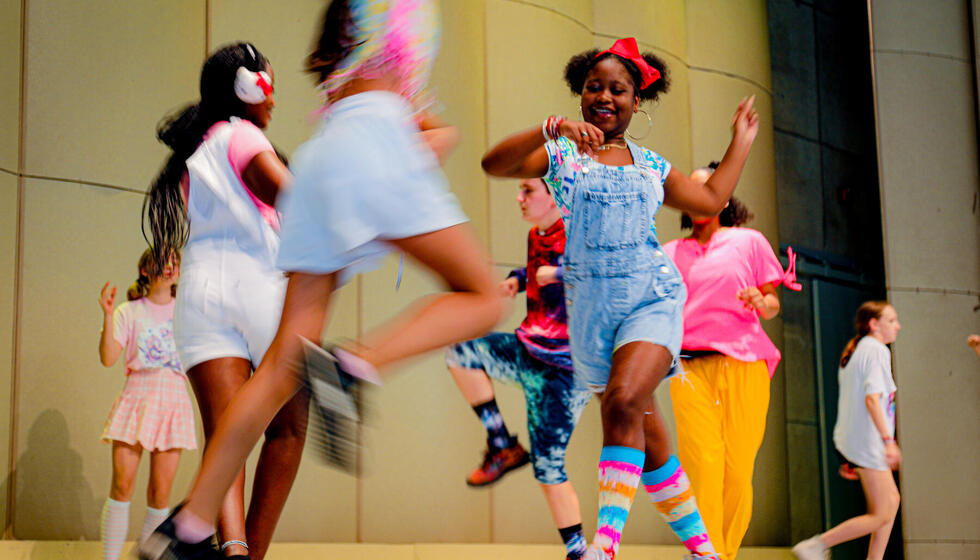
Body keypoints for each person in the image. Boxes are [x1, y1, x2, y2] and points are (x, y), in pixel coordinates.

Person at [140, 2, 504, 558]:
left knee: (285, 363)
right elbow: (434, 133)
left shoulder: (341, 41)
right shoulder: (403, 17)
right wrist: (410, 172)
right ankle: (356, 363)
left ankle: (188, 525)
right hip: (374, 148)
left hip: (317, 164)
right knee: (483, 297)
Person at [481, 36, 758, 560]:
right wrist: (549, 128)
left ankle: (603, 549)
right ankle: (706, 552)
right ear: (579, 95)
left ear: (637, 101)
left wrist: (740, 141)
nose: (605, 96)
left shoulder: (652, 165)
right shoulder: (561, 152)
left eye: (619, 89)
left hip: (649, 298)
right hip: (593, 314)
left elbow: (710, 198)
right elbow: (493, 164)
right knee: (649, 441)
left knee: (624, 401)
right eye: (594, 87)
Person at [142, 42, 301, 560]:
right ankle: (249, 555)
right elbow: (288, 197)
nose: (274, 101)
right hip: (261, 285)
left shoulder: (199, 150)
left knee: (225, 437)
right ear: (247, 87)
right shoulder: (244, 136)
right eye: (270, 87)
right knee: (288, 430)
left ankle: (229, 551)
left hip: (201, 293)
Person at [446, 177, 592, 560]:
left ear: (554, 194)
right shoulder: (535, 235)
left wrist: (560, 275)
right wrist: (517, 279)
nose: (519, 198)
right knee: (461, 351)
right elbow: (537, 271)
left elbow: (607, 278)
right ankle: (502, 444)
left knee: (548, 468)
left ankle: (578, 552)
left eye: (528, 190)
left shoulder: (581, 231)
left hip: (564, 371)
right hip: (528, 348)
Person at [663, 167, 800, 560]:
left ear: (724, 199)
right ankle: (705, 554)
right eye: (691, 188)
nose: (699, 194)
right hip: (688, 368)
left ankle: (724, 552)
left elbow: (772, 302)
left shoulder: (749, 242)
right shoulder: (670, 253)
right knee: (702, 464)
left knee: (737, 468)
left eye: (708, 187)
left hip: (745, 363)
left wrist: (762, 302)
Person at [98, 248, 195, 559]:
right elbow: (108, 358)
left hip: (173, 400)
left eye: (174, 261)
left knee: (159, 494)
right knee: (122, 487)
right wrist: (108, 313)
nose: (170, 267)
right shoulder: (129, 311)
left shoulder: (187, 311)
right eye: (162, 261)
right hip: (137, 398)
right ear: (144, 269)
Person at [792, 301, 902, 560]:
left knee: (891, 501)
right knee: (883, 513)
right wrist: (888, 440)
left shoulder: (856, 350)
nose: (898, 326)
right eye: (891, 320)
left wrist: (848, 455)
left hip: (855, 440)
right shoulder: (876, 350)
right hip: (869, 441)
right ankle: (817, 544)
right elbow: (872, 399)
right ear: (874, 324)